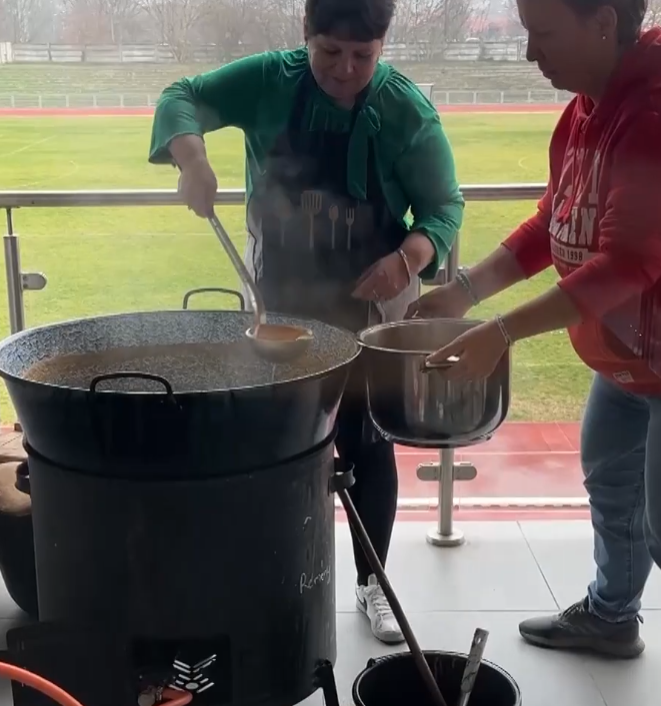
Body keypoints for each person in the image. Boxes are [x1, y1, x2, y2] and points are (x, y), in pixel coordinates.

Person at [408, 2, 661, 704]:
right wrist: (463, 292)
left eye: (544, 34)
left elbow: (629, 263)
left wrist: (500, 333)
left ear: (602, 21)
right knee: (612, 485)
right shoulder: (586, 111)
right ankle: (611, 617)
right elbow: (552, 221)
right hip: (634, 356)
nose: (531, 53)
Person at [148, 0, 463, 645]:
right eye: (330, 52)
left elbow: (443, 210)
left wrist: (408, 259)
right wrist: (193, 159)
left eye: (363, 56)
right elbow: (182, 96)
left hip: (370, 307)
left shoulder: (404, 110)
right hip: (279, 303)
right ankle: (275, 575)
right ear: (305, 35)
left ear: (383, 46)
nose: (345, 70)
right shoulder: (270, 79)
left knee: (367, 444)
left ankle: (373, 584)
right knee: (276, 441)